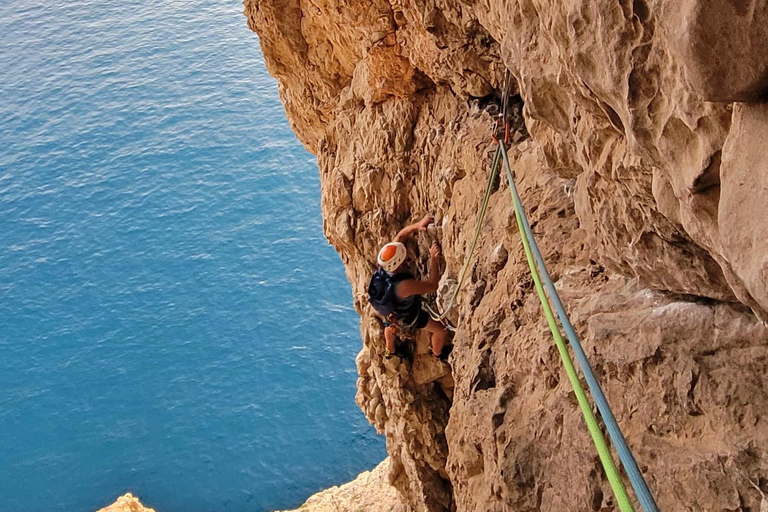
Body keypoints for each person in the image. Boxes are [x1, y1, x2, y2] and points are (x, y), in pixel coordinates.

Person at [367, 214, 449, 359]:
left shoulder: (386, 264)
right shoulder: (404, 286)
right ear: (399, 261)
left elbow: (400, 236)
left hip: (392, 309)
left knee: (391, 328)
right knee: (440, 331)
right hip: (409, 315)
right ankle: (437, 353)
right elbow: (433, 285)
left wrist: (418, 225)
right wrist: (434, 260)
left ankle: (390, 346)